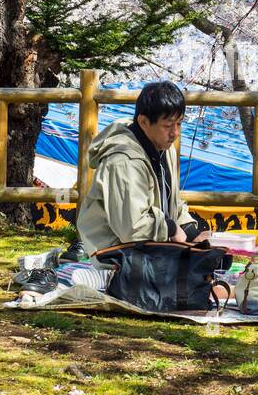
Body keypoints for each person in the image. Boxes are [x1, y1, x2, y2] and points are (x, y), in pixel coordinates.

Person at [76, 80, 208, 262]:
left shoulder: (164, 148)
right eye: (168, 125)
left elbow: (171, 203)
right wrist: (170, 228)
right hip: (115, 257)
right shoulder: (123, 161)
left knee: (213, 262)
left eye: (179, 123)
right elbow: (132, 229)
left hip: (148, 251)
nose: (175, 133)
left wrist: (191, 232)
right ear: (144, 122)